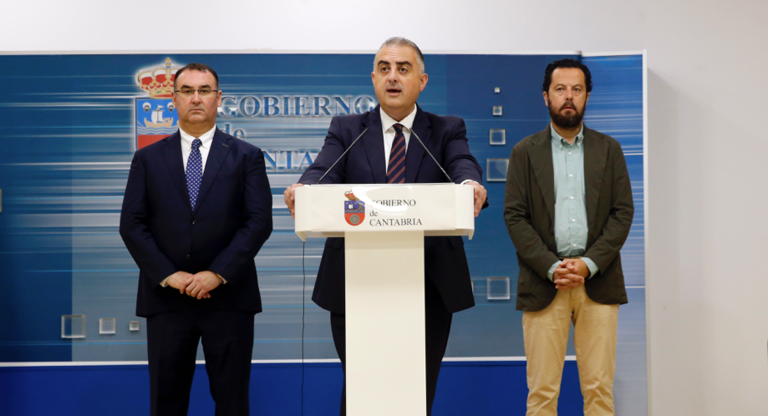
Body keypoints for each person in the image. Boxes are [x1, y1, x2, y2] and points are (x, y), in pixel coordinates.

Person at [284, 37, 488, 415]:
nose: (392, 77)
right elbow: (322, 171)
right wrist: (305, 188)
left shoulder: (445, 129)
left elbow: (462, 163)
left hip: (429, 285)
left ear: (422, 80)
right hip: (355, 284)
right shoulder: (347, 129)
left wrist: (469, 185)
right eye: (384, 68)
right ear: (373, 78)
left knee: (416, 393)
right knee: (362, 389)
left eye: (403, 69)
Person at [120, 63, 273, 416]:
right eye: (187, 91)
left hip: (229, 297)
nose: (196, 98)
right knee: (166, 402)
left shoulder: (247, 156)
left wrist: (216, 274)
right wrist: (168, 274)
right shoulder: (147, 159)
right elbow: (131, 224)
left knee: (232, 401)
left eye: (204, 90)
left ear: (219, 99)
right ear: (173, 100)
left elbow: (259, 221)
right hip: (167, 299)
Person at [504, 59, 634, 415]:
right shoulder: (523, 153)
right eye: (560, 89)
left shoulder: (609, 150)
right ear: (545, 96)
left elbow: (622, 213)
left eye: (577, 90)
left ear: (588, 96)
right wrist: (551, 267)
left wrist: (588, 264)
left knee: (599, 393)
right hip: (545, 283)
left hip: (599, 282)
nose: (568, 97)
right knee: (543, 394)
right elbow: (515, 217)